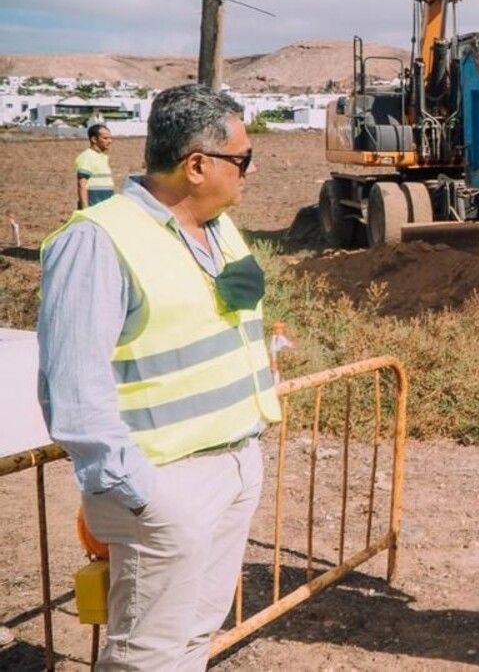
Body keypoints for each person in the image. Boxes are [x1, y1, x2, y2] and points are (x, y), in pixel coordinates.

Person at [38, 84, 281, 671]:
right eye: (242, 159)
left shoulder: (218, 227)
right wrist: (139, 493)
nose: (249, 171)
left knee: (194, 636)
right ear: (197, 166)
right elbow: (71, 385)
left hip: (232, 463)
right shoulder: (97, 241)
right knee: (146, 655)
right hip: (164, 485)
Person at [75, 122, 115, 208]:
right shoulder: (87, 156)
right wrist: (85, 208)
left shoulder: (103, 157)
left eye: (110, 138)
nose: (110, 141)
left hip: (105, 203)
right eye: (105, 138)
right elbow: (82, 184)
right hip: (94, 203)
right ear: (94, 139)